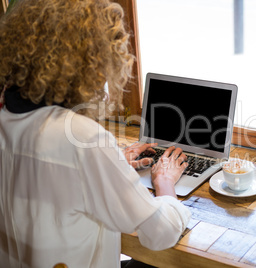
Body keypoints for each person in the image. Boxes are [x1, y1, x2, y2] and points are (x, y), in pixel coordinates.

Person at [0, 0, 191, 267]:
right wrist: (165, 181)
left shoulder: (7, 113)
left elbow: (44, 184)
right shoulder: (81, 137)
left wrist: (111, 163)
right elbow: (161, 232)